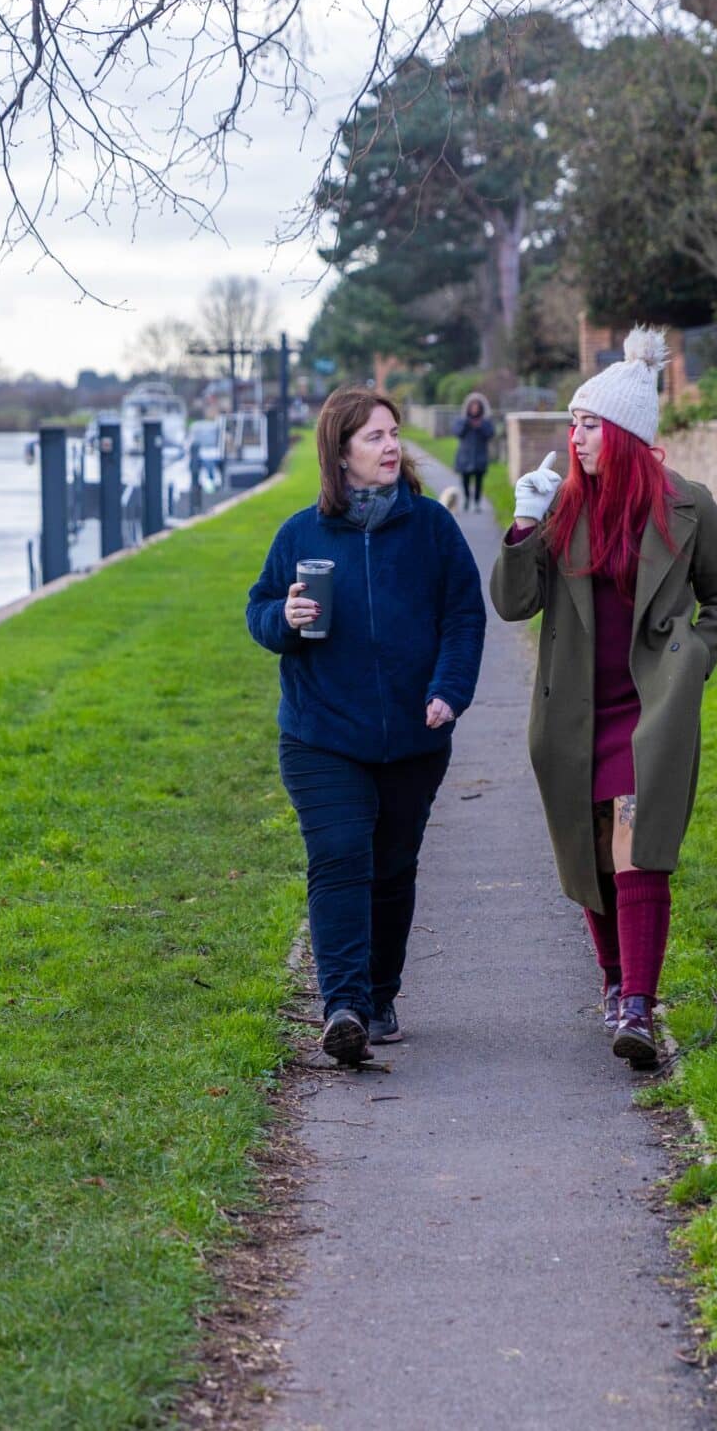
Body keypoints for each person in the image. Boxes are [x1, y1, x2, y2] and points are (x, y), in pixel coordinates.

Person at [488, 330, 717, 1070]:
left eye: (589, 424)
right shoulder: (561, 507)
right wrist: (521, 528)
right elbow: (514, 605)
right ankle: (612, 983)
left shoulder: (687, 507)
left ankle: (637, 1003)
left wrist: (696, 656)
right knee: (593, 855)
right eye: (572, 423)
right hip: (575, 710)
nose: (575, 438)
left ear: (629, 436)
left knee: (638, 852)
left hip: (650, 709)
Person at [247, 384, 487, 1066]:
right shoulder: (301, 532)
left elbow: (464, 617)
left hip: (415, 735)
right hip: (321, 733)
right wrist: (283, 621)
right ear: (340, 453)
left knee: (392, 865)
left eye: (394, 433)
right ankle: (344, 1006)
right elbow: (260, 610)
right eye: (374, 437)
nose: (392, 447)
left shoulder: (431, 529)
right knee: (341, 855)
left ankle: (380, 995)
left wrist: (450, 690)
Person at [451, 392, 495, 510]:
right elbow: (457, 432)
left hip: (480, 456)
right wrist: (467, 423)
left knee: (479, 481)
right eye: (472, 406)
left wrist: (480, 426)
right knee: (465, 480)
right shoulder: (462, 420)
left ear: (480, 408)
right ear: (469, 407)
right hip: (465, 456)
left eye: (477, 406)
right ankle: (466, 499)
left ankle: (477, 503)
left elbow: (490, 433)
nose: (475, 409)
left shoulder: (485, 421)